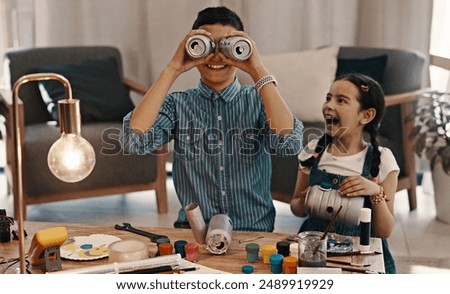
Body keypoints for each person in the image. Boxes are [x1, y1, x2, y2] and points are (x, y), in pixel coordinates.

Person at [120, 6, 303, 232]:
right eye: (206, 46)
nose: (216, 56)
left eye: (227, 47)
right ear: (192, 47)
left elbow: (289, 144)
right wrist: (173, 68)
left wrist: (257, 69)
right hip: (194, 232)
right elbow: (134, 141)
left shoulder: (259, 101)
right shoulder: (178, 105)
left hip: (253, 231)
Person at [290, 73, 399, 273]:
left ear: (366, 115)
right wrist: (306, 200)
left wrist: (375, 192)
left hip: (361, 254)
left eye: (341, 100)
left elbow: (385, 231)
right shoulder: (313, 151)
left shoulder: (382, 160)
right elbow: (296, 208)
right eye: (328, 98)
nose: (329, 105)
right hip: (314, 252)